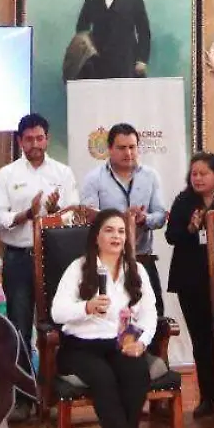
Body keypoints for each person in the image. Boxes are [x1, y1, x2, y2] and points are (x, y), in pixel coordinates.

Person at [50, 209, 158, 428]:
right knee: (104, 379)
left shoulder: (137, 270)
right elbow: (57, 313)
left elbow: (149, 314)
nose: (116, 236)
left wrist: (141, 343)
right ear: (96, 237)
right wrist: (85, 308)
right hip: (81, 346)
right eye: (109, 230)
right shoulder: (79, 268)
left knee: (136, 374)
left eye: (121, 231)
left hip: (120, 342)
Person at [0, 113, 78, 365]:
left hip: (55, 258)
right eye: (29, 139)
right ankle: (26, 395)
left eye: (40, 138)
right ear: (20, 141)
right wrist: (26, 214)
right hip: (19, 257)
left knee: (59, 321)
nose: (35, 144)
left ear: (47, 139)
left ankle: (56, 388)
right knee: (19, 324)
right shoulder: (7, 174)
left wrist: (54, 213)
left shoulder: (63, 173)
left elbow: (75, 218)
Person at [166, 152, 214, 416]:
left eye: (203, 173)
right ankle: (207, 397)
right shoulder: (184, 201)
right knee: (201, 340)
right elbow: (170, 236)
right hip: (192, 281)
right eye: (194, 173)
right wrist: (190, 227)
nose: (197, 178)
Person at [79, 124, 170, 318]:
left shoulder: (150, 176)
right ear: (109, 149)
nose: (128, 153)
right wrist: (122, 219)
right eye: (122, 148)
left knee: (154, 316)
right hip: (107, 262)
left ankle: (147, 349)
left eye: (132, 147)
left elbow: (161, 215)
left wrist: (145, 219)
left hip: (142, 258)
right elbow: (89, 218)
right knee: (111, 316)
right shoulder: (94, 179)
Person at [73, 0, 152, 80]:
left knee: (126, 97)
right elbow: (81, 29)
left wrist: (141, 60)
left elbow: (144, 32)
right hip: (98, 61)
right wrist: (88, 53)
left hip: (127, 60)